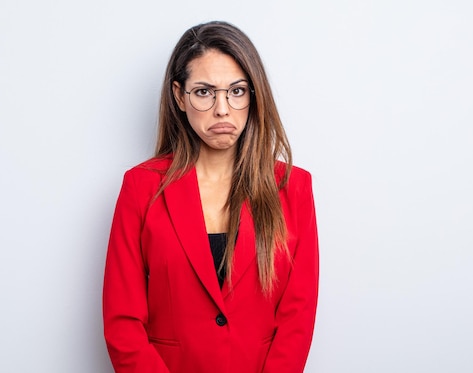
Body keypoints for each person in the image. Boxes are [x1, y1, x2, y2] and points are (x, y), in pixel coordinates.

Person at [103, 21, 319, 373]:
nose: (222, 109)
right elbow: (122, 322)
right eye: (204, 92)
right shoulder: (140, 187)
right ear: (179, 96)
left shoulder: (293, 187)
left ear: (253, 95)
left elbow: (298, 318)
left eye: (237, 91)